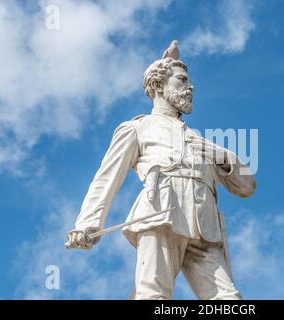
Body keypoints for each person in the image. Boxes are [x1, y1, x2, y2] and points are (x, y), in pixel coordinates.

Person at [65, 40, 256, 300]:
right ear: (158, 85)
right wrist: (87, 223)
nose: (190, 89)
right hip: (161, 214)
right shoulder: (138, 128)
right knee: (154, 295)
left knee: (228, 299)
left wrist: (223, 157)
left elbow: (246, 187)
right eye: (182, 81)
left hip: (204, 227)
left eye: (189, 83)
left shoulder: (200, 140)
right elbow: (107, 178)